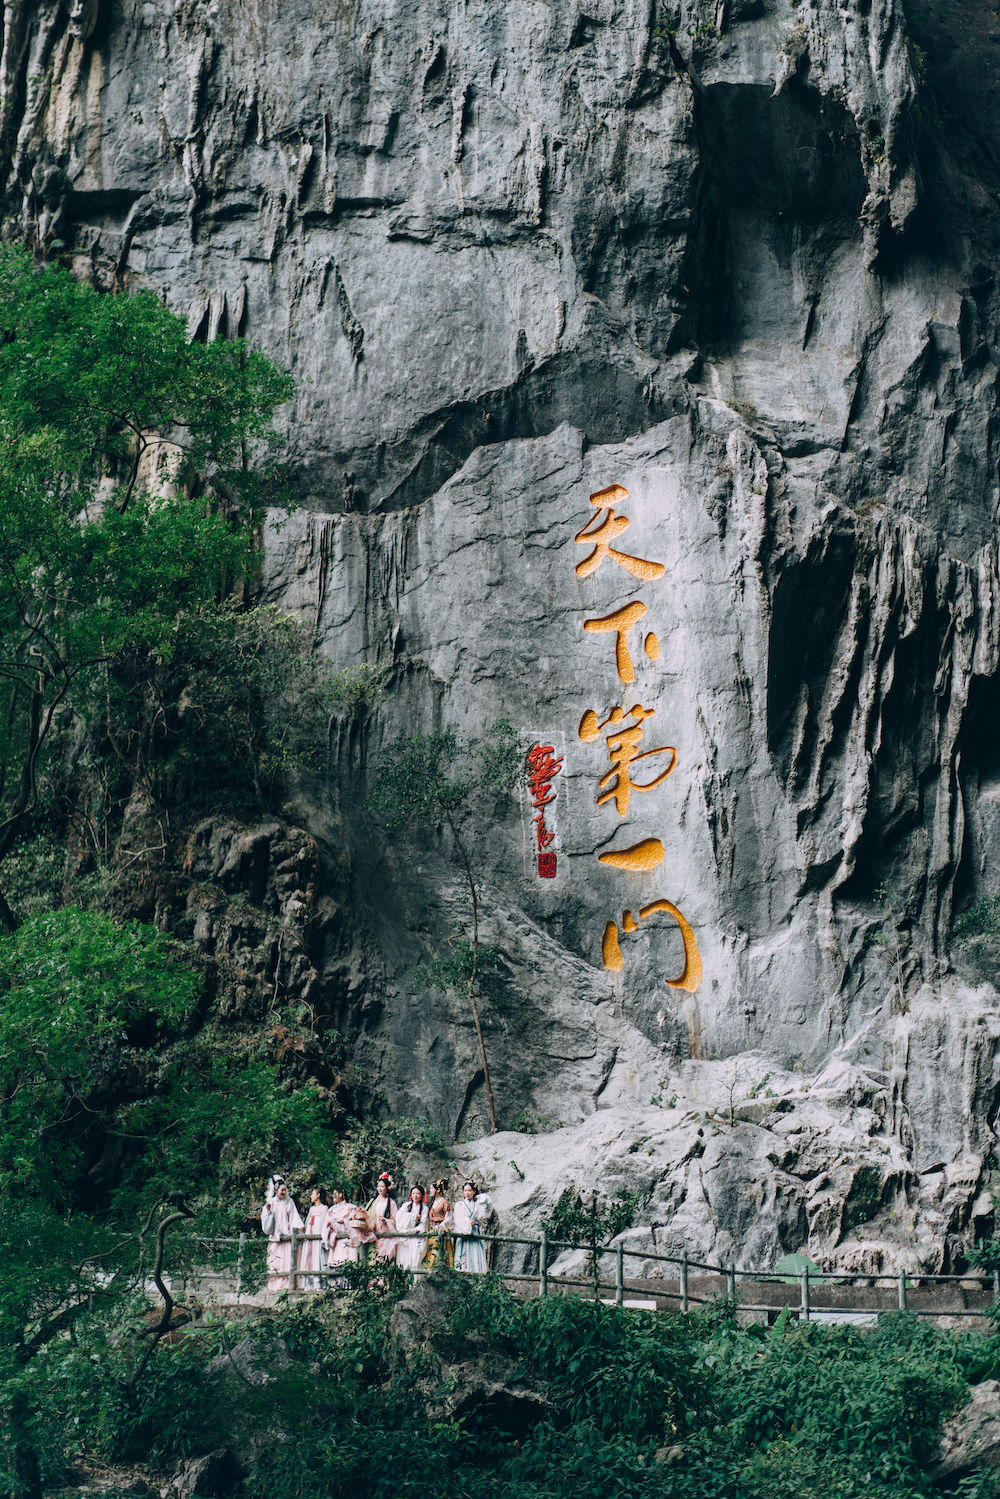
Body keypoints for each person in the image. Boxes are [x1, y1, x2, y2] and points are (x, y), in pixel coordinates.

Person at [260, 1176, 304, 1291]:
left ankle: (286, 1285)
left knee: (286, 1261)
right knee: (275, 1262)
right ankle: (274, 1286)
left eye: (285, 1190)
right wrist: (268, 1211)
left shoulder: (289, 1202)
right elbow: (265, 1219)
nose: (284, 1192)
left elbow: (294, 1217)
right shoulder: (271, 1202)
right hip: (275, 1237)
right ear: (276, 1191)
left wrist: (299, 1226)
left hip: (287, 1236)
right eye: (281, 1190)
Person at [453, 1180, 491, 1274]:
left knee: (476, 1255)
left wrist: (478, 1196)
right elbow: (458, 1219)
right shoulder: (459, 1204)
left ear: (474, 1191)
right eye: (465, 1190)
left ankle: (478, 1275)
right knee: (464, 1256)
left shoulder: (477, 1204)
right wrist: (468, 1223)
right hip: (464, 1233)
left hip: (475, 1232)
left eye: (470, 1190)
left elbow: (487, 1202)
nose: (467, 1193)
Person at [300, 1187, 331, 1290]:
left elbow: (324, 1223)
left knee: (317, 1258)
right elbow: (308, 1222)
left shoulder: (324, 1208)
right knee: (308, 1257)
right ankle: (308, 1284)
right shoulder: (311, 1209)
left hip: (318, 1237)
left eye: (313, 1194)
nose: (311, 1196)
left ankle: (319, 1284)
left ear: (318, 1195)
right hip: (310, 1237)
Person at [395, 1184, 429, 1272]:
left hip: (416, 1235)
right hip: (405, 1234)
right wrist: (413, 1216)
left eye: (418, 1193)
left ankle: (414, 1283)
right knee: (403, 1260)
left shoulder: (424, 1208)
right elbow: (399, 1218)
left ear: (421, 1195)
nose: (415, 1195)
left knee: (415, 1260)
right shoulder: (406, 1205)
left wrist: (417, 1229)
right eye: (413, 1193)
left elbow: (424, 1223)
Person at [367, 1173, 398, 1261]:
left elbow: (395, 1220)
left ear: (387, 1188)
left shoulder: (391, 1203)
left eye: (382, 1186)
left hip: (386, 1233)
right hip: (375, 1231)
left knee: (384, 1259)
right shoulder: (373, 1202)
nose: (380, 1189)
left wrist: (386, 1221)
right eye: (378, 1186)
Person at [423, 1178, 453, 1269]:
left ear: (438, 1190)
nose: (430, 1191)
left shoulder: (444, 1202)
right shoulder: (432, 1202)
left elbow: (448, 1217)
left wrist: (443, 1225)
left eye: (432, 1189)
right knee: (431, 1251)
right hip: (432, 1229)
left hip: (441, 1228)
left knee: (441, 1251)